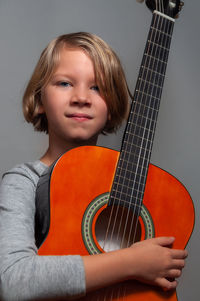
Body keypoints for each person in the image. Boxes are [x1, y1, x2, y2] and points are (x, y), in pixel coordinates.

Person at [0, 32, 187, 301]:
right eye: (65, 83)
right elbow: (13, 281)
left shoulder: (149, 193)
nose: (81, 97)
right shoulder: (23, 181)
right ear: (40, 100)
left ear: (111, 105)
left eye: (97, 88)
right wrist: (132, 262)